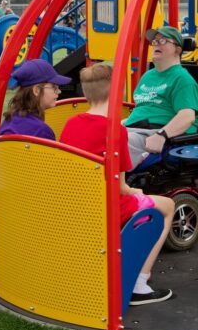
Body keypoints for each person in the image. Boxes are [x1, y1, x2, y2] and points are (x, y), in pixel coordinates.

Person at [58, 64, 175, 305]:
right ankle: (139, 284)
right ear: (115, 91)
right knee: (167, 206)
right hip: (106, 204)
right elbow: (121, 187)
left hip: (76, 202)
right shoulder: (115, 130)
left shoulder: (71, 124)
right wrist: (137, 191)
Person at [123, 26, 198, 169]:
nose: (156, 44)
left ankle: (114, 186)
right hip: (136, 128)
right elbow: (144, 109)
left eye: (163, 41)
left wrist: (162, 135)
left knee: (118, 143)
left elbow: (187, 116)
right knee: (94, 133)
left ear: (177, 49)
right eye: (155, 41)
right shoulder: (147, 76)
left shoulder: (182, 79)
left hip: (156, 132)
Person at [0, 59, 69, 140]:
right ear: (36, 90)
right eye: (54, 87)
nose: (59, 91)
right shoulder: (42, 131)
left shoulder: (8, 122)